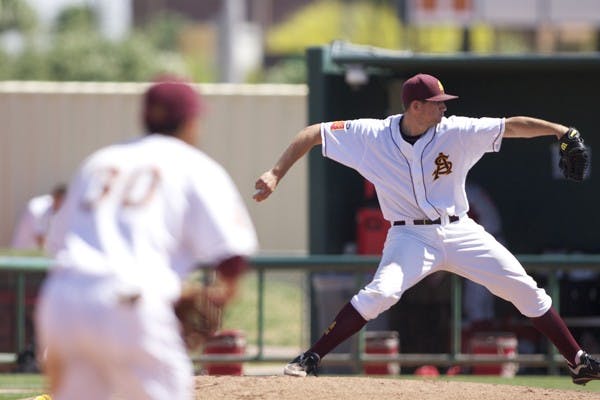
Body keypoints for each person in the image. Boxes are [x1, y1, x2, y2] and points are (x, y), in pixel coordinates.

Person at [253, 73, 599, 385]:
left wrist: (560, 130)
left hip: (461, 231)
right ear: (415, 107)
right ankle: (311, 357)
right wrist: (275, 173)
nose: (443, 110)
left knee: (523, 288)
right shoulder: (371, 135)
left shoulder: (456, 131)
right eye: (437, 105)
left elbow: (512, 126)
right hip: (410, 236)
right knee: (381, 293)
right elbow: (313, 134)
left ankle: (578, 362)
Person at [35, 77, 258, 399]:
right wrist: (221, 297)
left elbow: (57, 244)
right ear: (191, 122)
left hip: (62, 303)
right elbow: (233, 258)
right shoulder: (194, 165)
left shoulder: (99, 162)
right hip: (130, 304)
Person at [11, 184, 67, 250]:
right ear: (56, 198)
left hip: (35, 254)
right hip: (22, 253)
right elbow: (41, 240)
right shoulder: (37, 208)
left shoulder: (57, 210)